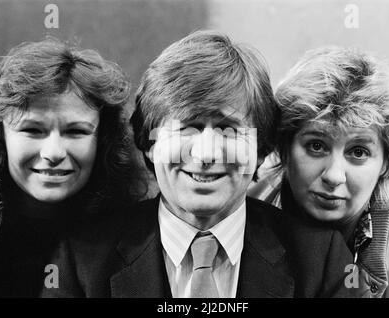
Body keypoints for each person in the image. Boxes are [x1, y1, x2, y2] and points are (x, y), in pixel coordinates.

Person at [42, 30, 355, 298]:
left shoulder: (322, 261)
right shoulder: (81, 261)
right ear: (149, 144)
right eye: (187, 127)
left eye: (229, 129)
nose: (207, 154)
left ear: (260, 150)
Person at [248, 46, 389, 297]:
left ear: (387, 162)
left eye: (358, 152)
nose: (334, 176)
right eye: (316, 146)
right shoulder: (245, 202)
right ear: (285, 148)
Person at [0, 37, 143, 297]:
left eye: (76, 131)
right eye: (32, 130)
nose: (53, 153)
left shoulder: (134, 239)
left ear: (103, 141)